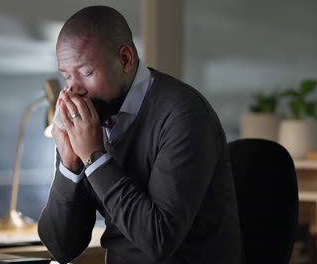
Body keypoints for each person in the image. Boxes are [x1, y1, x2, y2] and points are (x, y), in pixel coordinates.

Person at [38, 5, 241, 264]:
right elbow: (61, 248)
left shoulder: (184, 114)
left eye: (86, 72)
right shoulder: (93, 117)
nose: (74, 90)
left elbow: (158, 240)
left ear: (125, 59)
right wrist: (70, 166)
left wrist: (94, 157)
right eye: (66, 76)